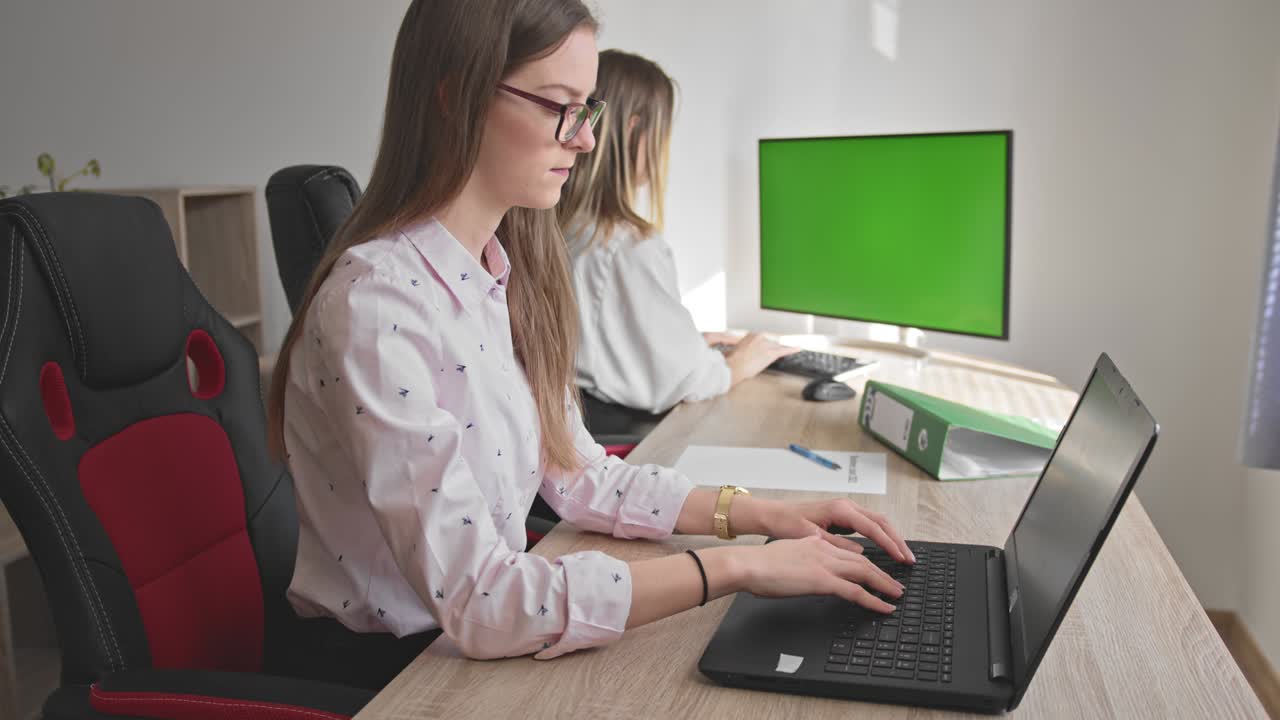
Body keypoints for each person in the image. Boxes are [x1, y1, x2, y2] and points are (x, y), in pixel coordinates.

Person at [266, 0, 914, 691]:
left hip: (466, 642)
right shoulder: (378, 307)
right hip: (397, 676)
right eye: (560, 107)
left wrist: (765, 516)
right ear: (456, 99)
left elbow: (582, 476)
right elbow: (481, 602)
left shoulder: (500, 273)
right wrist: (738, 567)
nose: (585, 140)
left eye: (589, 110)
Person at [559, 49, 798, 416]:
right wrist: (739, 363)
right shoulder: (624, 246)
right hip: (620, 435)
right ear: (634, 130)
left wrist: (686, 346)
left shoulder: (560, 226)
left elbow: (604, 347)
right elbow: (684, 381)